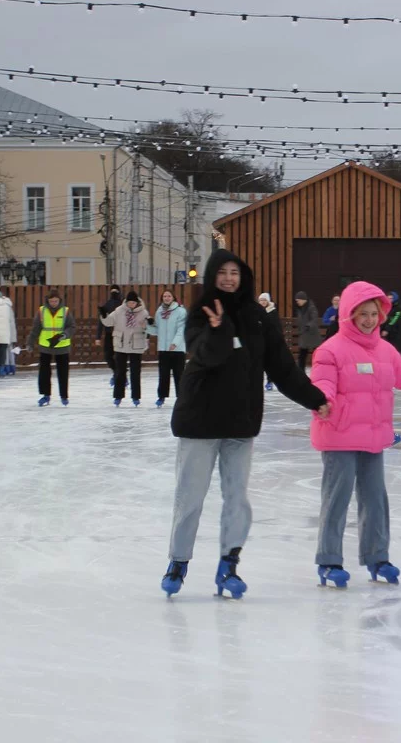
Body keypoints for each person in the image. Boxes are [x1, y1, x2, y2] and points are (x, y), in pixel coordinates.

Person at [162, 250, 328, 599]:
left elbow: (282, 368)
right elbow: (203, 355)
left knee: (237, 497)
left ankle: (229, 564)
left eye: (234, 272)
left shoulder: (258, 318)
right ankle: (178, 561)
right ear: (211, 276)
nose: (228, 278)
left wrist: (315, 399)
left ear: (244, 277)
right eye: (221, 272)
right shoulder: (200, 312)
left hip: (240, 420)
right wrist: (219, 330)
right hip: (199, 421)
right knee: (190, 496)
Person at [309, 281, 401, 588]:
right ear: (348, 314)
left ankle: (377, 556)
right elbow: (322, 384)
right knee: (337, 498)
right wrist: (323, 402)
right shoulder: (330, 349)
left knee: (375, 499)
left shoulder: (385, 350)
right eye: (362, 313)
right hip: (340, 436)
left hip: (373, 437)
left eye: (374, 313)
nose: (369, 319)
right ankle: (329, 559)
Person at [102, 290, 150, 406]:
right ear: (126, 302)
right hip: (121, 345)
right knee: (120, 372)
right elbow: (108, 322)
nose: (131, 305)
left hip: (136, 346)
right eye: (129, 303)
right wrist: (104, 315)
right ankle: (118, 396)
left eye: (133, 303)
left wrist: (149, 323)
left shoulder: (143, 312)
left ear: (137, 302)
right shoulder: (119, 311)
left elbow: (148, 327)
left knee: (135, 373)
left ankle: (136, 397)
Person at [28, 289, 74, 406]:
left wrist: (64, 335)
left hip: (62, 345)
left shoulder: (66, 311)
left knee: (63, 372)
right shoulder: (41, 311)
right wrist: (30, 342)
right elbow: (36, 328)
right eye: (51, 301)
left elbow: (72, 327)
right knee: (44, 371)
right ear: (47, 301)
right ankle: (45, 395)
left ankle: (64, 395)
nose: (54, 303)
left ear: (59, 300)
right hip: (45, 345)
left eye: (56, 301)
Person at [150, 289, 187, 408]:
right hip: (163, 349)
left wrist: (175, 343)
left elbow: (182, 329)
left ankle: (181, 398)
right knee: (163, 374)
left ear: (173, 298)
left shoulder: (181, 311)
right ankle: (161, 396)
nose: (166, 298)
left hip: (177, 349)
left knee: (179, 375)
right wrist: (146, 327)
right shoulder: (159, 312)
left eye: (169, 296)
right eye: (164, 296)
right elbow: (157, 330)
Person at [98, 286, 123, 386]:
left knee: (119, 357)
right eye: (112, 291)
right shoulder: (107, 305)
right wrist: (98, 337)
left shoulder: (123, 305)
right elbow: (101, 321)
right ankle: (117, 373)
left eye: (116, 291)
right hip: (109, 334)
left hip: (121, 334)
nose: (114, 293)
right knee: (108, 356)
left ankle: (120, 376)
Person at [295, 291, 320, 370]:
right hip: (304, 334)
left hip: (312, 335)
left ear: (303, 299)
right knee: (302, 355)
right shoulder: (300, 308)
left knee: (316, 354)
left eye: (298, 300)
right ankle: (301, 373)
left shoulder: (311, 307)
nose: (297, 302)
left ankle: (318, 370)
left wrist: (308, 326)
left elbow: (314, 319)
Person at [258, 293, 278, 389]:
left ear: (268, 301)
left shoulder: (272, 312)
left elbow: (275, 327)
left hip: (270, 341)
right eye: (261, 300)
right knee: (259, 363)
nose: (262, 302)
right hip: (259, 341)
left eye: (264, 300)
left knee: (269, 363)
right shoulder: (256, 311)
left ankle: (270, 382)